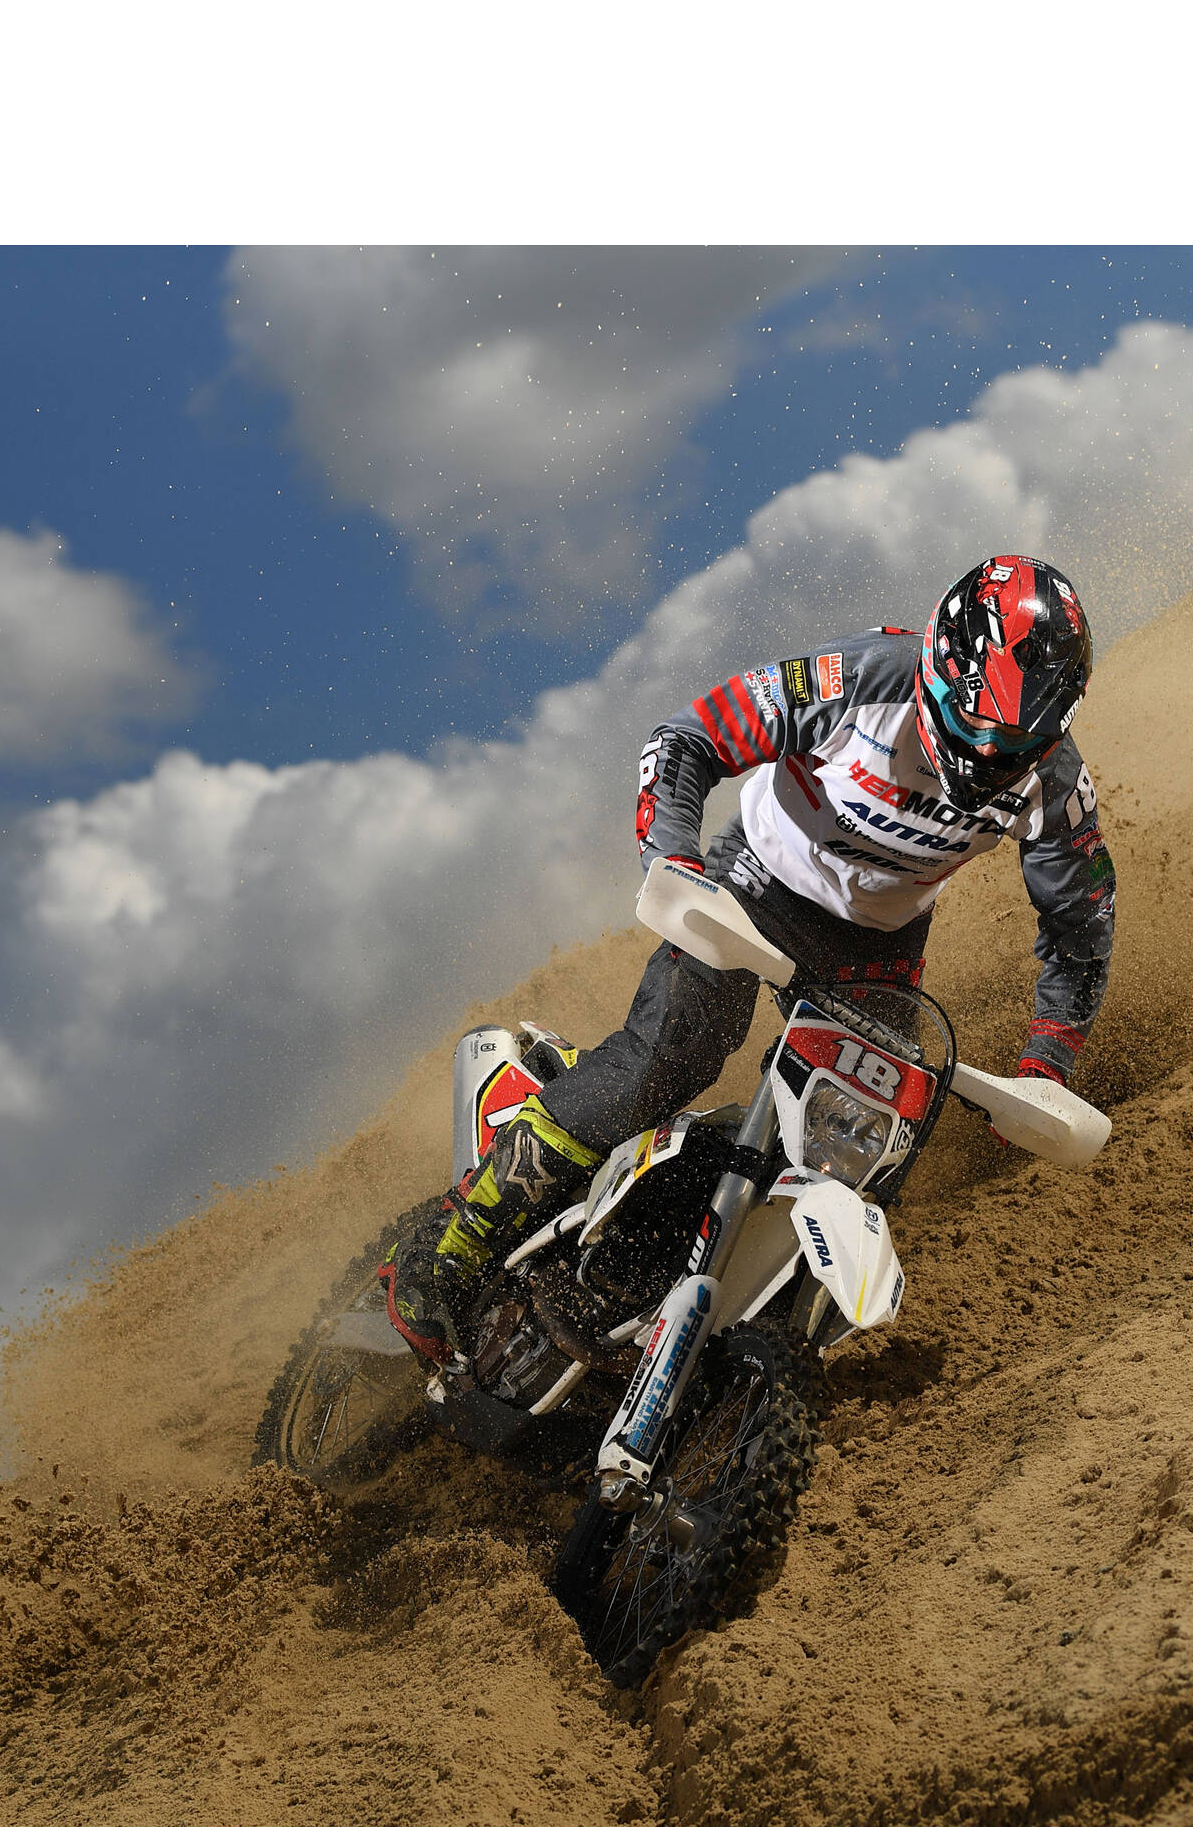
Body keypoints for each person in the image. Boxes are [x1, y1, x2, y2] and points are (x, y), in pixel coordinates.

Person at [395, 554, 1117, 1362]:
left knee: (864, 1152)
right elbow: (687, 738)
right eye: (984, 732)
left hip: (876, 952)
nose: (992, 760)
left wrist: (1046, 1067)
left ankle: (711, 1337)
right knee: (675, 1053)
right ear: (943, 673)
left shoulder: (1057, 782)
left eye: (1020, 745)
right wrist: (674, 860)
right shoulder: (858, 679)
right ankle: (449, 1242)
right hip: (756, 886)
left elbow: (1081, 925)